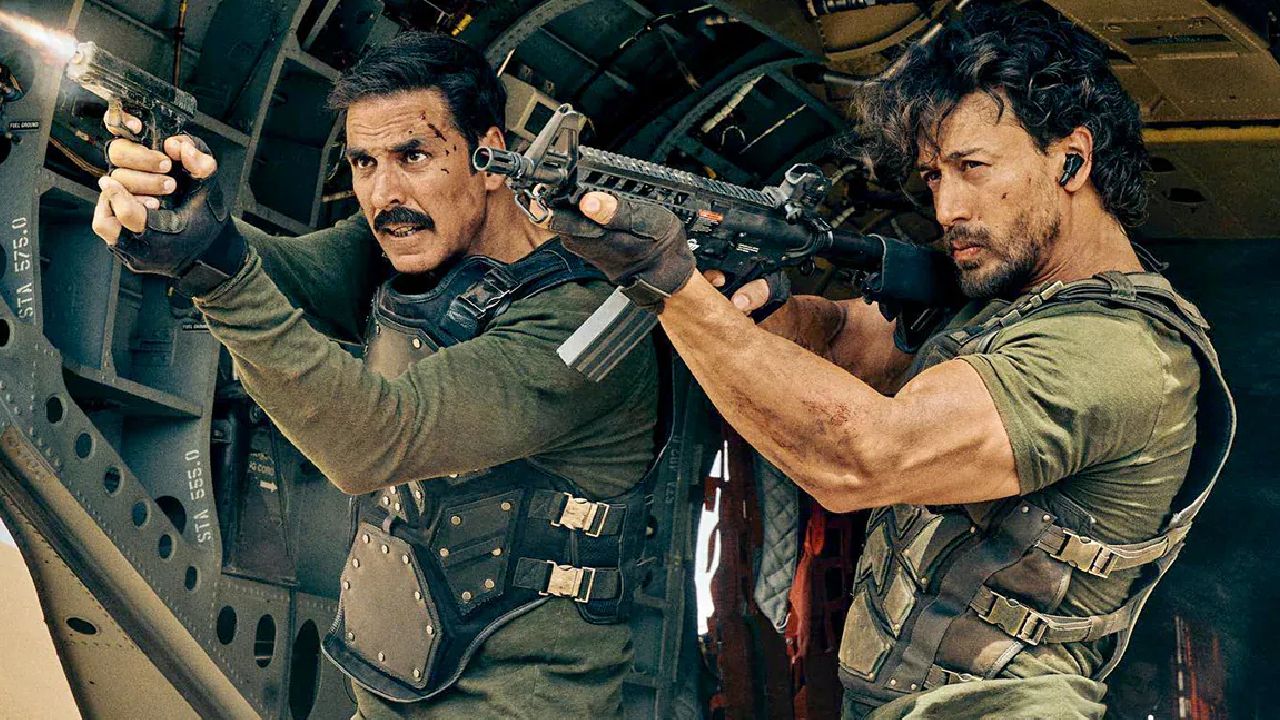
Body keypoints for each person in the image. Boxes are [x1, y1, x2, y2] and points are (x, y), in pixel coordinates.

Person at [548, 3, 1234, 719]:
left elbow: (862, 457)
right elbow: (842, 339)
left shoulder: (1117, 350)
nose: (947, 208)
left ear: (1072, 160)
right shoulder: (1003, 301)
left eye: (972, 167)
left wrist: (672, 286)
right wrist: (753, 295)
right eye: (934, 176)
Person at [90, 32, 658, 719]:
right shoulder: (407, 245)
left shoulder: (581, 319)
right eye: (364, 162)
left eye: (414, 156)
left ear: (489, 157)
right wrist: (189, 220)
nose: (385, 193)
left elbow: (376, 442)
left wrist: (216, 274)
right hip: (387, 694)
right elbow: (280, 272)